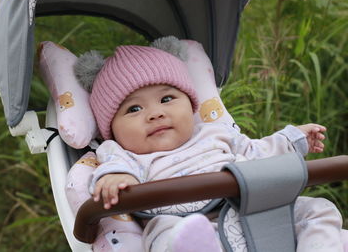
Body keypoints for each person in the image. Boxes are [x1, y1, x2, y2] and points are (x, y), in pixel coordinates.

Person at [74, 38, 343, 252]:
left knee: (317, 208)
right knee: (164, 234)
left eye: (167, 99)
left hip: (250, 211)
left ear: (191, 106)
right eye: (134, 108)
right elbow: (110, 170)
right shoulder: (122, 153)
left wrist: (292, 139)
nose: (155, 113)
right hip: (182, 223)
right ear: (112, 130)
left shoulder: (216, 133)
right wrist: (116, 178)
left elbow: (257, 152)